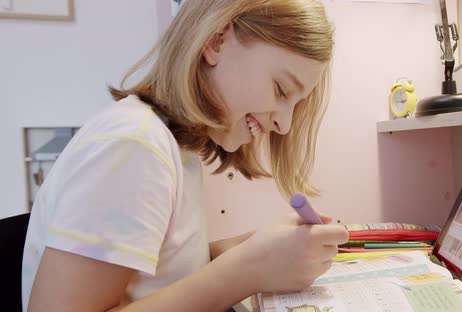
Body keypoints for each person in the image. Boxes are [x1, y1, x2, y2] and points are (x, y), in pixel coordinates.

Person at [22, 1, 349, 311]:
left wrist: (245, 250)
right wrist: (248, 269)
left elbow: (155, 274)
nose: (284, 123)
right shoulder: (134, 146)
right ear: (217, 41)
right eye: (281, 89)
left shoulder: (172, 148)